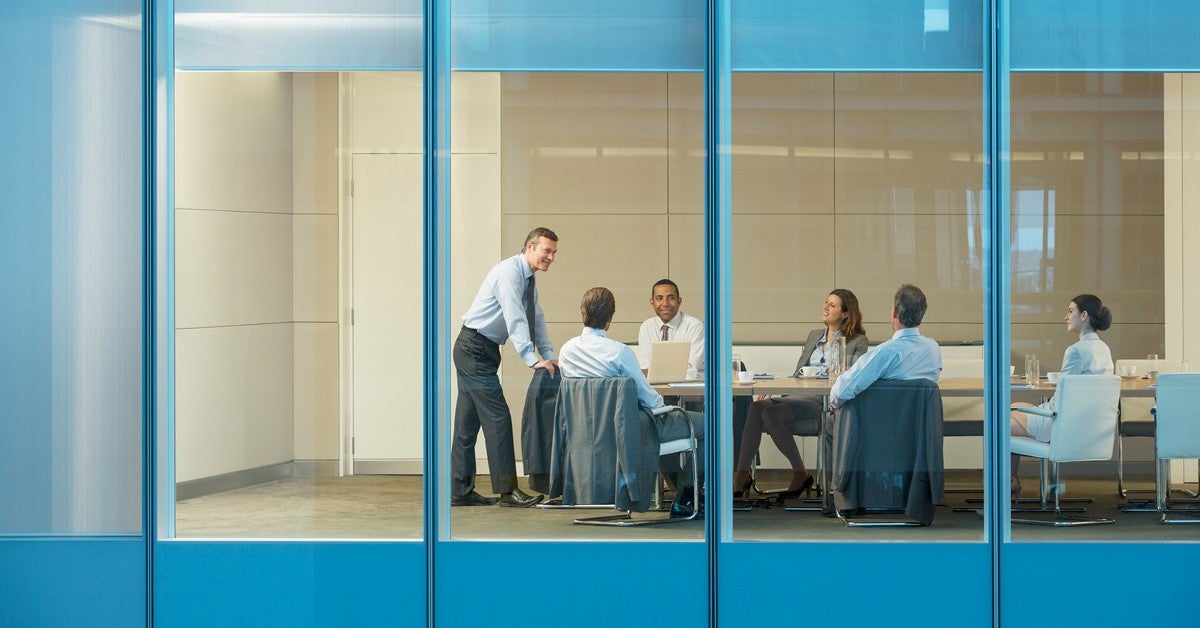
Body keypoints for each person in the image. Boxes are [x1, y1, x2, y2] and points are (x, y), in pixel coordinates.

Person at [558, 286, 707, 518]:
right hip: (629, 431)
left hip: (586, 433)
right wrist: (665, 407)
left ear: (582, 313)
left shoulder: (567, 351)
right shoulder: (619, 352)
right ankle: (686, 496)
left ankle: (681, 493)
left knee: (664, 427)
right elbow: (649, 399)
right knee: (711, 425)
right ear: (610, 318)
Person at [450, 227, 559, 507]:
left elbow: (536, 318)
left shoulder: (528, 280)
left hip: (480, 350)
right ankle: (508, 491)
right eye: (546, 251)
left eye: (553, 253)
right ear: (529, 247)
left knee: (466, 425)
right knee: (498, 418)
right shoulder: (510, 273)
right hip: (474, 348)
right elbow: (515, 316)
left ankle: (459, 491)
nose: (550, 257)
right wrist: (531, 358)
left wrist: (548, 354)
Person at [732, 289, 869, 498]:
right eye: (826, 302)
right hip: (799, 395)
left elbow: (856, 374)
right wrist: (774, 388)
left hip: (823, 400)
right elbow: (798, 374)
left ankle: (799, 473)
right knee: (756, 406)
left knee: (769, 413)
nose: (825, 307)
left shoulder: (858, 341)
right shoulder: (814, 335)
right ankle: (741, 474)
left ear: (845, 314)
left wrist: (839, 371)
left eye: (832, 305)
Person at [1009, 294, 1113, 497]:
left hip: (1061, 423)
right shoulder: (1104, 349)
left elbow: (1063, 399)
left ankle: (1008, 483)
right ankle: (1011, 480)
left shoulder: (1075, 351)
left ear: (1084, 316)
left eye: (1071, 311)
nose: (1066, 316)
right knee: (1015, 405)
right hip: (1088, 423)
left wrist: (1045, 409)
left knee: (1001, 423)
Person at [828, 284, 942, 410]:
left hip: (882, 420)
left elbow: (842, 391)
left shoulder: (885, 353)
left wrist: (833, 402)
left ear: (895, 312)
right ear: (921, 315)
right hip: (920, 420)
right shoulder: (933, 349)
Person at [637, 279, 705, 373]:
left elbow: (690, 369)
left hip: (687, 382)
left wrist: (655, 372)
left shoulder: (695, 327)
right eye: (659, 298)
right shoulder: (647, 327)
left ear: (679, 301)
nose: (665, 304)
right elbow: (646, 366)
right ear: (652, 303)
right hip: (653, 382)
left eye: (671, 298)